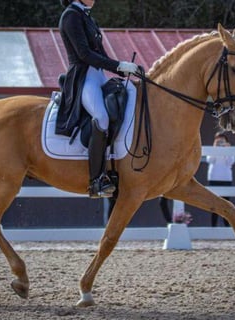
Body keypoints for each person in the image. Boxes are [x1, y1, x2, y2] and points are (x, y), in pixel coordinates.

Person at [56, 0, 139, 198]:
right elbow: (84, 54)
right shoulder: (71, 16)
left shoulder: (86, 16)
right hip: (83, 76)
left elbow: (101, 53)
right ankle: (96, 180)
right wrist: (118, 66)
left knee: (127, 97)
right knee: (100, 117)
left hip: (98, 75)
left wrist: (123, 69)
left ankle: (115, 165)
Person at [206, 132, 235, 227]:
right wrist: (215, 149)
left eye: (222, 141)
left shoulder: (229, 150)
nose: (220, 143)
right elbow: (210, 160)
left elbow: (230, 162)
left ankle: (227, 226)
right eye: (218, 141)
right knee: (214, 204)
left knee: (226, 203)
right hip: (214, 178)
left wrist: (227, 150)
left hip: (226, 178)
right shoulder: (212, 149)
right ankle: (213, 226)